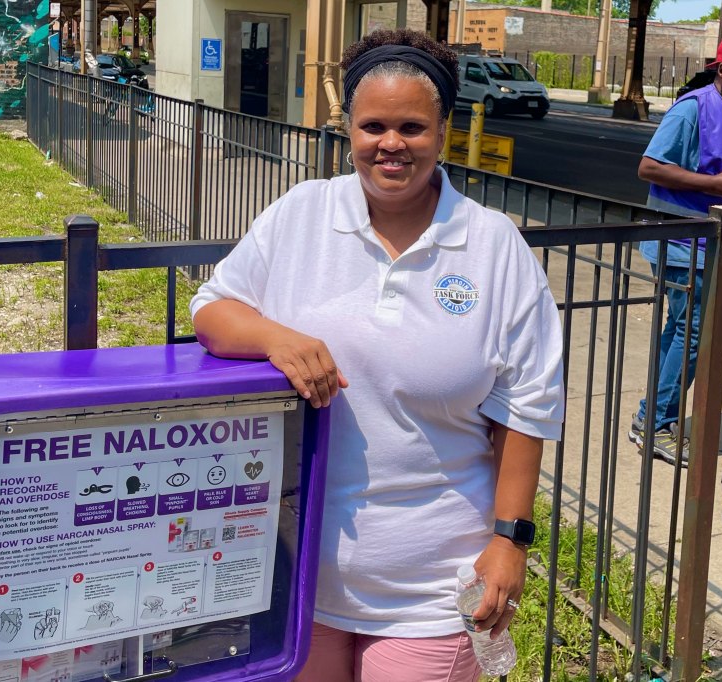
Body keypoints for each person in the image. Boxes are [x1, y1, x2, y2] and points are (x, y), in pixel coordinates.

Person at [190, 29, 564, 681]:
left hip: (432, 588)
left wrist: (510, 541)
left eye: (412, 127)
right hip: (297, 568)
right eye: (373, 126)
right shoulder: (300, 216)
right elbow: (212, 312)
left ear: (444, 129)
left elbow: (525, 408)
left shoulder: (493, 246)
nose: (391, 144)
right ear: (349, 131)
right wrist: (278, 339)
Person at [631, 32, 722, 467]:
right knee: (692, 333)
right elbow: (648, 166)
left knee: (680, 330)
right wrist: (715, 184)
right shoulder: (692, 109)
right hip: (677, 239)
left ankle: (650, 416)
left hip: (704, 240)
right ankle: (657, 425)